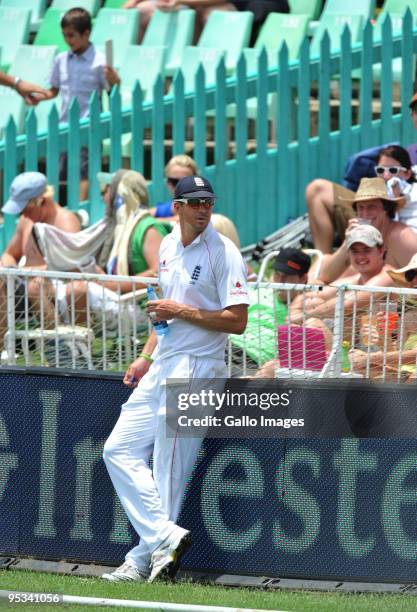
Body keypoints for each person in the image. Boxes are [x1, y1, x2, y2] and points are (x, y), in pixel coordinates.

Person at [102, 175, 249, 583]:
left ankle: (140, 560)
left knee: (167, 468)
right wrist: (146, 356)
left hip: (199, 369)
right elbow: (163, 313)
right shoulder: (167, 244)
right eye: (196, 202)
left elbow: (237, 321)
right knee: (118, 449)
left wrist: (178, 311)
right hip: (164, 362)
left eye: (208, 202)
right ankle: (163, 537)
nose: (204, 209)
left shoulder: (224, 252)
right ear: (178, 206)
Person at [41, 8, 120, 201]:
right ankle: (58, 209)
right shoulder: (60, 60)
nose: (68, 40)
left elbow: (112, 91)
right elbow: (53, 90)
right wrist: (37, 94)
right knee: (59, 170)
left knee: (84, 171)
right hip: (64, 125)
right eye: (64, 35)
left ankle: (81, 212)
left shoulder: (100, 62)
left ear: (86, 34)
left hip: (88, 126)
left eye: (72, 35)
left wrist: (115, 79)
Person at [0, 172, 81, 356]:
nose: (23, 214)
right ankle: (3, 351)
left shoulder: (66, 221)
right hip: (23, 286)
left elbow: (68, 267)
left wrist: (22, 271)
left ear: (42, 201)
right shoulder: (26, 221)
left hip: (53, 288)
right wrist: (8, 264)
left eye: (25, 209)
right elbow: (9, 253)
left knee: (35, 285)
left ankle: (61, 349)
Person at [306, 145, 417, 253]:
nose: (386, 176)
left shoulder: (410, 192)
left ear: (407, 174)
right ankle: (322, 259)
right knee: (317, 189)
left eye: (393, 170)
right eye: (380, 170)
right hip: (373, 229)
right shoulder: (377, 193)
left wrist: (396, 198)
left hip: (397, 242)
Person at [318, 177, 417, 284]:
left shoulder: (401, 237)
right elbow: (325, 277)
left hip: (397, 299)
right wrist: (346, 243)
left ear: (386, 209)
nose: (365, 214)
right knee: (318, 279)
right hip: (366, 295)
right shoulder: (360, 237)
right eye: (361, 207)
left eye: (371, 207)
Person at [348, 253, 417, 380]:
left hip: (412, 379)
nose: (415, 280)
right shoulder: (409, 316)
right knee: (358, 367)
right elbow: (394, 357)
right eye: (411, 275)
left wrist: (370, 357)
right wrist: (383, 339)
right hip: (406, 377)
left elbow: (414, 356)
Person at [124, 0, 289, 43]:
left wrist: (181, 1)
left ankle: (214, 74)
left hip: (252, 6)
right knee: (141, 12)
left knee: (213, 16)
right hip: (194, 5)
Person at [149, 154, 198, 221]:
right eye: (174, 182)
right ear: (168, 183)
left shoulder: (203, 209)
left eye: (186, 182)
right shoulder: (161, 211)